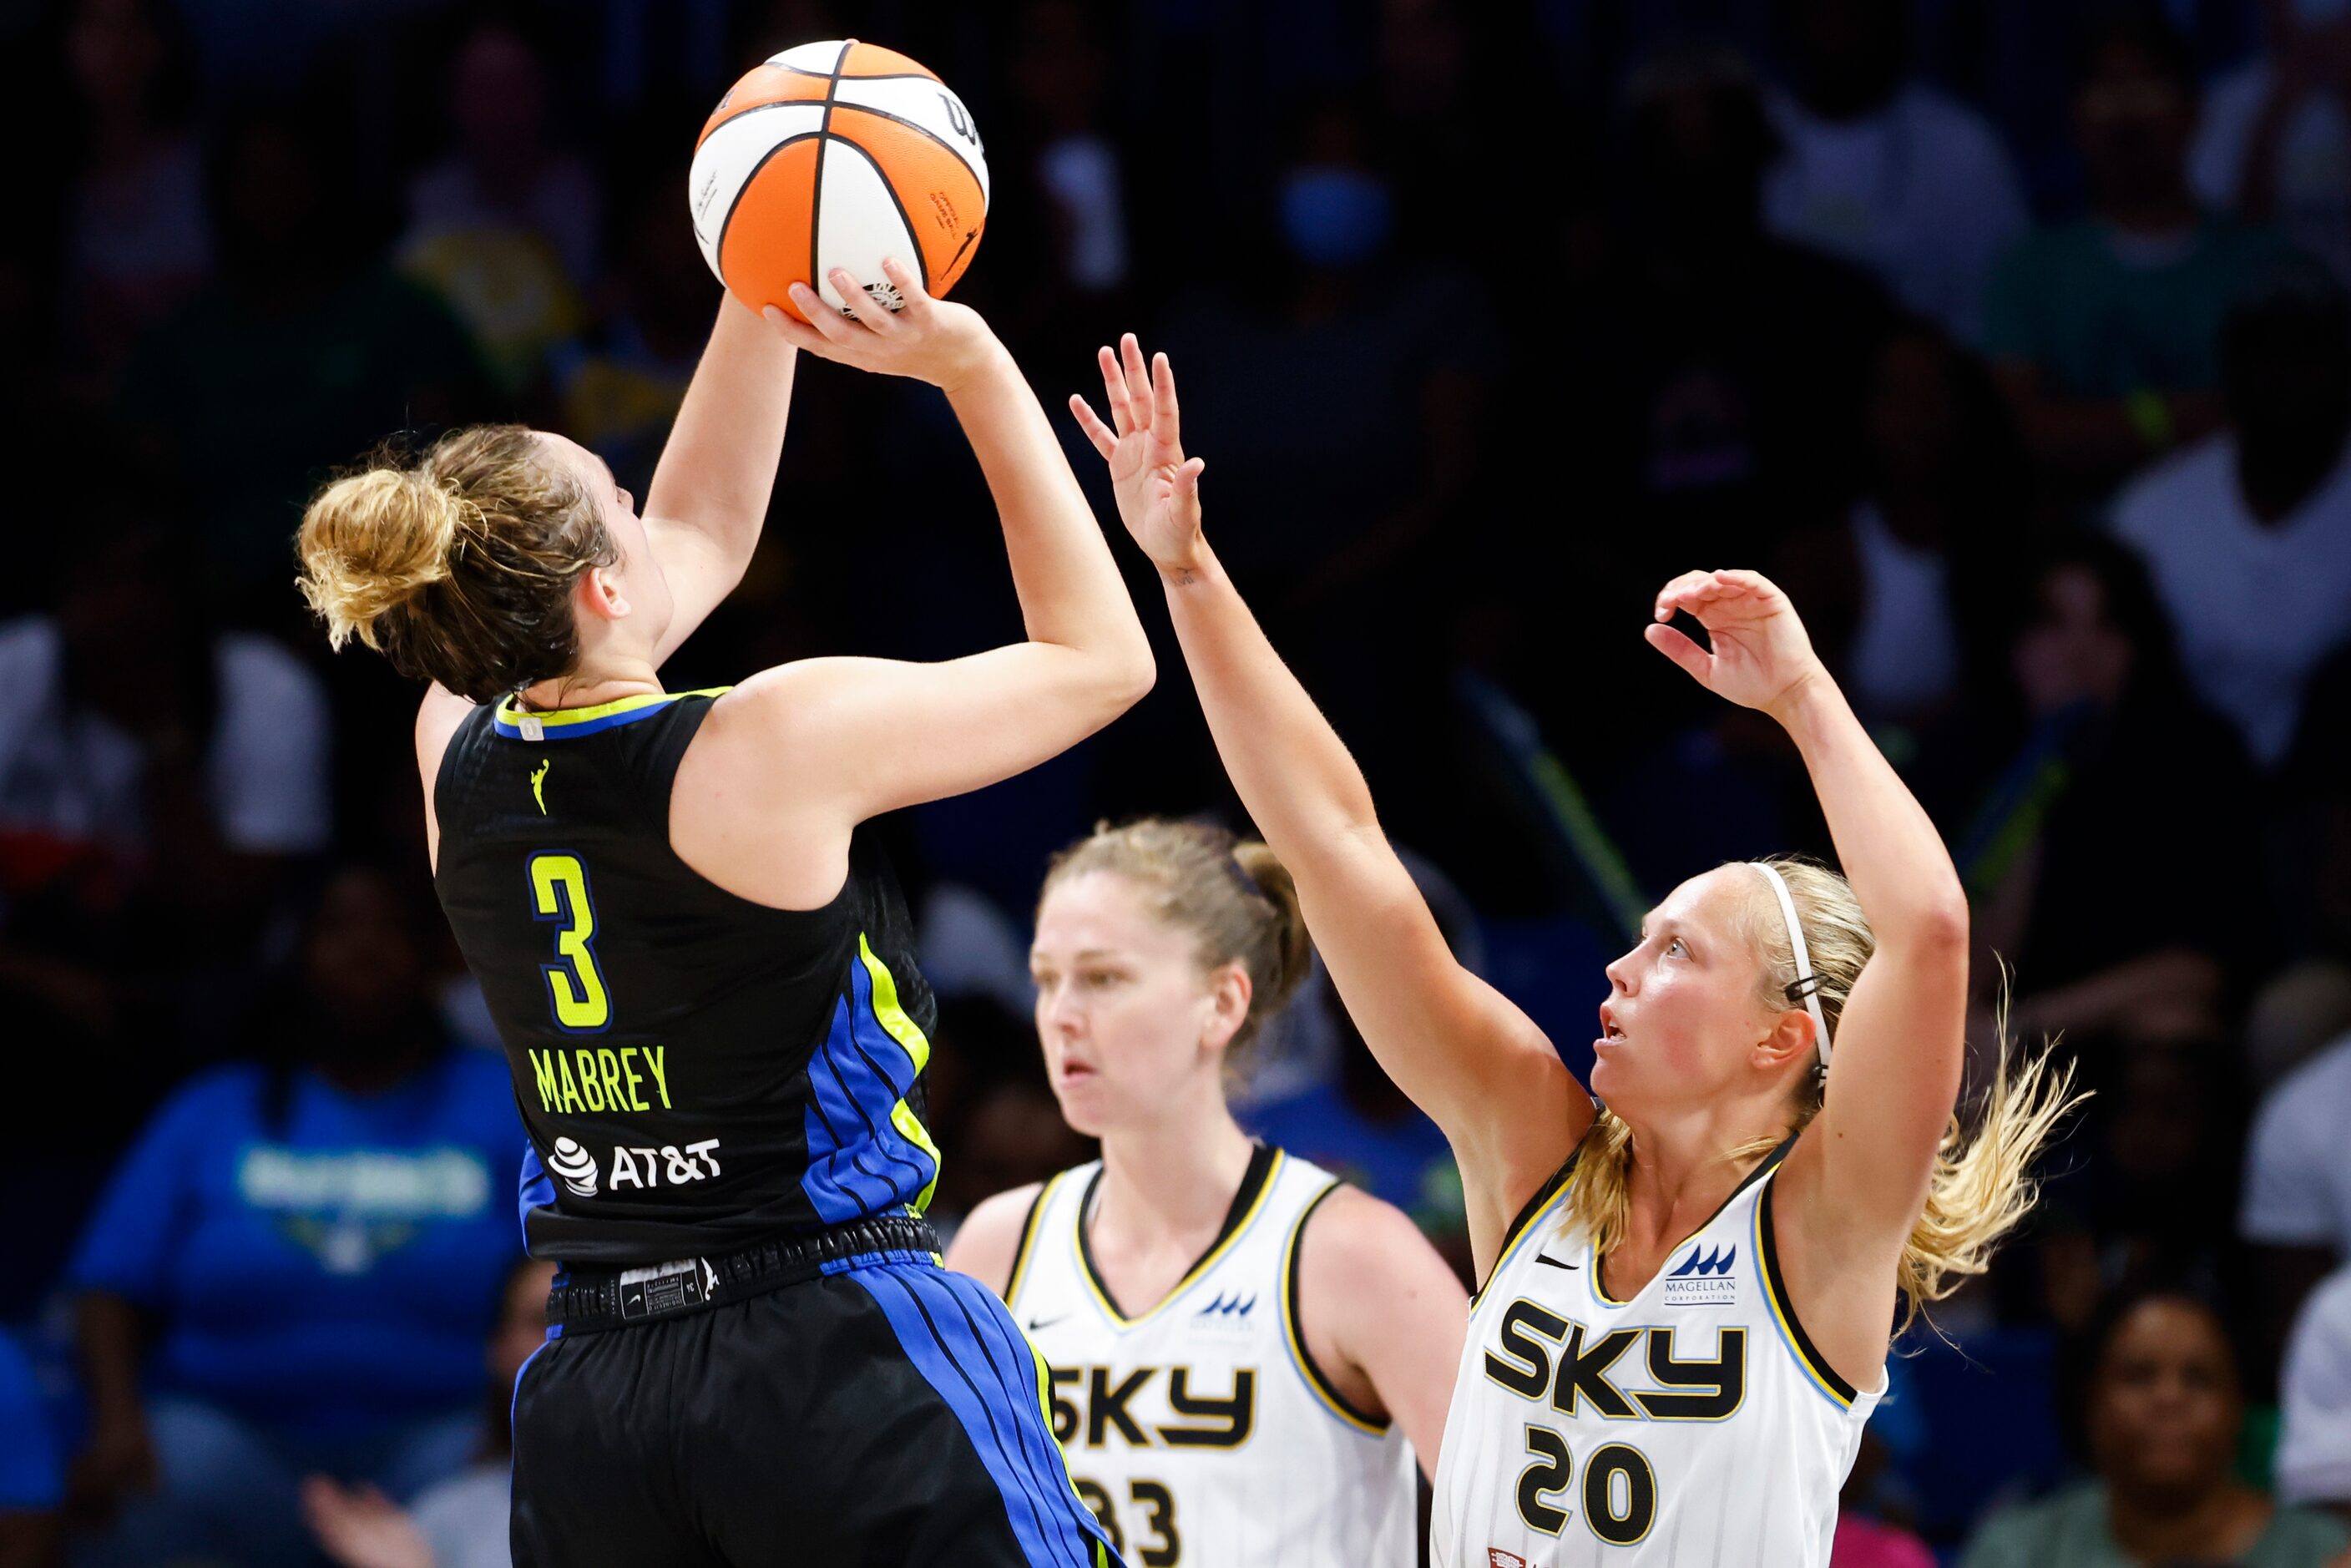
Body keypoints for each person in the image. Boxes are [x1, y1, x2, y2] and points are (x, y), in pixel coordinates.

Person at [1065, 337, 2078, 1565]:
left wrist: (1806, 701)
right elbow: (1333, 842)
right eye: (1638, 944)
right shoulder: (1529, 1150)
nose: (1617, 971)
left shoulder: (1821, 1227)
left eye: (1675, 953)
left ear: (1784, 1034)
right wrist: (1189, 571)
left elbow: (1926, 930)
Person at [295, 266, 1150, 1565]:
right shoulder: (765, 742)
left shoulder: (449, 743)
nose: (646, 507)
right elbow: (1102, 659)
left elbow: (696, 537)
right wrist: (973, 366)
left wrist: (761, 288)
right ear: (600, 585)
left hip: (596, 1388)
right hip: (823, 1337)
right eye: (618, 497)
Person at [948, 817, 1467, 1565]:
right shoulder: (998, 1247)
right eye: (1045, 979)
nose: (1061, 1016)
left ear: (1222, 1002)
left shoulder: (1353, 1254)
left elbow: (1521, 1529)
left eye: (1103, 978)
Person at [63, 865, 523, 1568]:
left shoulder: (500, 1100)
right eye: (337, 927)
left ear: (437, 955)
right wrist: (118, 1423)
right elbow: (107, 1286)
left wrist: (519, 1422)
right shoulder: (214, 1107)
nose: (365, 949)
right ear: (298, 953)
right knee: (138, 1489)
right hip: (231, 1438)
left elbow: (561, 1273)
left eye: (390, 928)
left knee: (530, 1493)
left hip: (448, 1436)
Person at [1983, 15, 2302, 496]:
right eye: (2107, 92)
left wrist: (2099, 426)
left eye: (2148, 90)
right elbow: (2025, 431)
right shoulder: (2028, 270)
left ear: (2194, 110)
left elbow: (2286, 417)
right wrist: (2178, 417)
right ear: (2075, 115)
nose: (2127, 115)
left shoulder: (2266, 265)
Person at [2111, 266, 2351, 771]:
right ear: (2229, 371)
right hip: (2181, 784)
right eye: (2264, 357)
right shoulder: (2150, 513)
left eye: (2308, 356)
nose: (2285, 380)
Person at [1958, 1287, 2348, 1567]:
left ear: (2239, 1408)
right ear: (2091, 1403)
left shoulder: (2323, 1553)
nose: (2169, 1400)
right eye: (2138, 1377)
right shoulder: (2019, 1551)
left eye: (2199, 1379)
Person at [1763, 0, 2030, 338]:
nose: (1839, 31)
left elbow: (2001, 317)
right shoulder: (1748, 133)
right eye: (1822, 12)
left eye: (1854, 13)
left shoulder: (1961, 145)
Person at [303, 1257, 563, 1568]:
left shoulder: (636, 1506)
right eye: (542, 1321)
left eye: (591, 1320)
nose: (566, 1342)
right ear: (499, 1350)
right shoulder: (444, 1519)